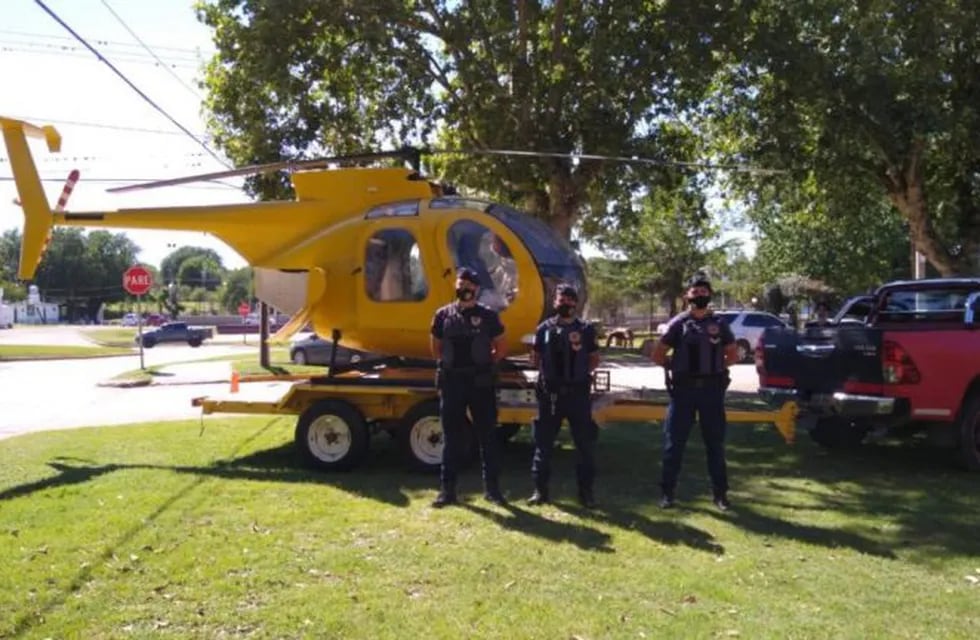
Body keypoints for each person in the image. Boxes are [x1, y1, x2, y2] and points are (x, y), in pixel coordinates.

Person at [649, 273, 739, 511]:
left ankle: (721, 496)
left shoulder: (719, 324)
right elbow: (658, 354)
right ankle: (667, 494)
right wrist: (677, 368)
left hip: (711, 392)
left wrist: (715, 368)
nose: (699, 294)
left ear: (709, 295)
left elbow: (733, 355)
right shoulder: (678, 324)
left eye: (704, 291)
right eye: (695, 291)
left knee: (715, 445)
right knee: (674, 444)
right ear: (687, 295)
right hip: (684, 392)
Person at [429, 267, 509, 508]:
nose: (465, 288)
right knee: (452, 438)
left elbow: (501, 346)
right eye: (461, 283)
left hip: (480, 382)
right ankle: (447, 491)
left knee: (487, 436)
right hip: (453, 382)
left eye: (470, 285)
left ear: (476, 289)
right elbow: (435, 347)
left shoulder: (488, 315)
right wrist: (447, 366)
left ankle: (493, 490)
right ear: (456, 286)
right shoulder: (443, 314)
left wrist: (487, 365)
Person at [528, 284, 601, 508]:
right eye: (562, 299)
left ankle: (585, 493)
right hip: (550, 395)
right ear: (555, 302)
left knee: (584, 446)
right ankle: (540, 492)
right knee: (544, 445)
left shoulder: (586, 329)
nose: (565, 303)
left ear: (576, 303)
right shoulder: (544, 329)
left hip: (577, 395)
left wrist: (578, 376)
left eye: (570, 300)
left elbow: (594, 359)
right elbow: (535, 358)